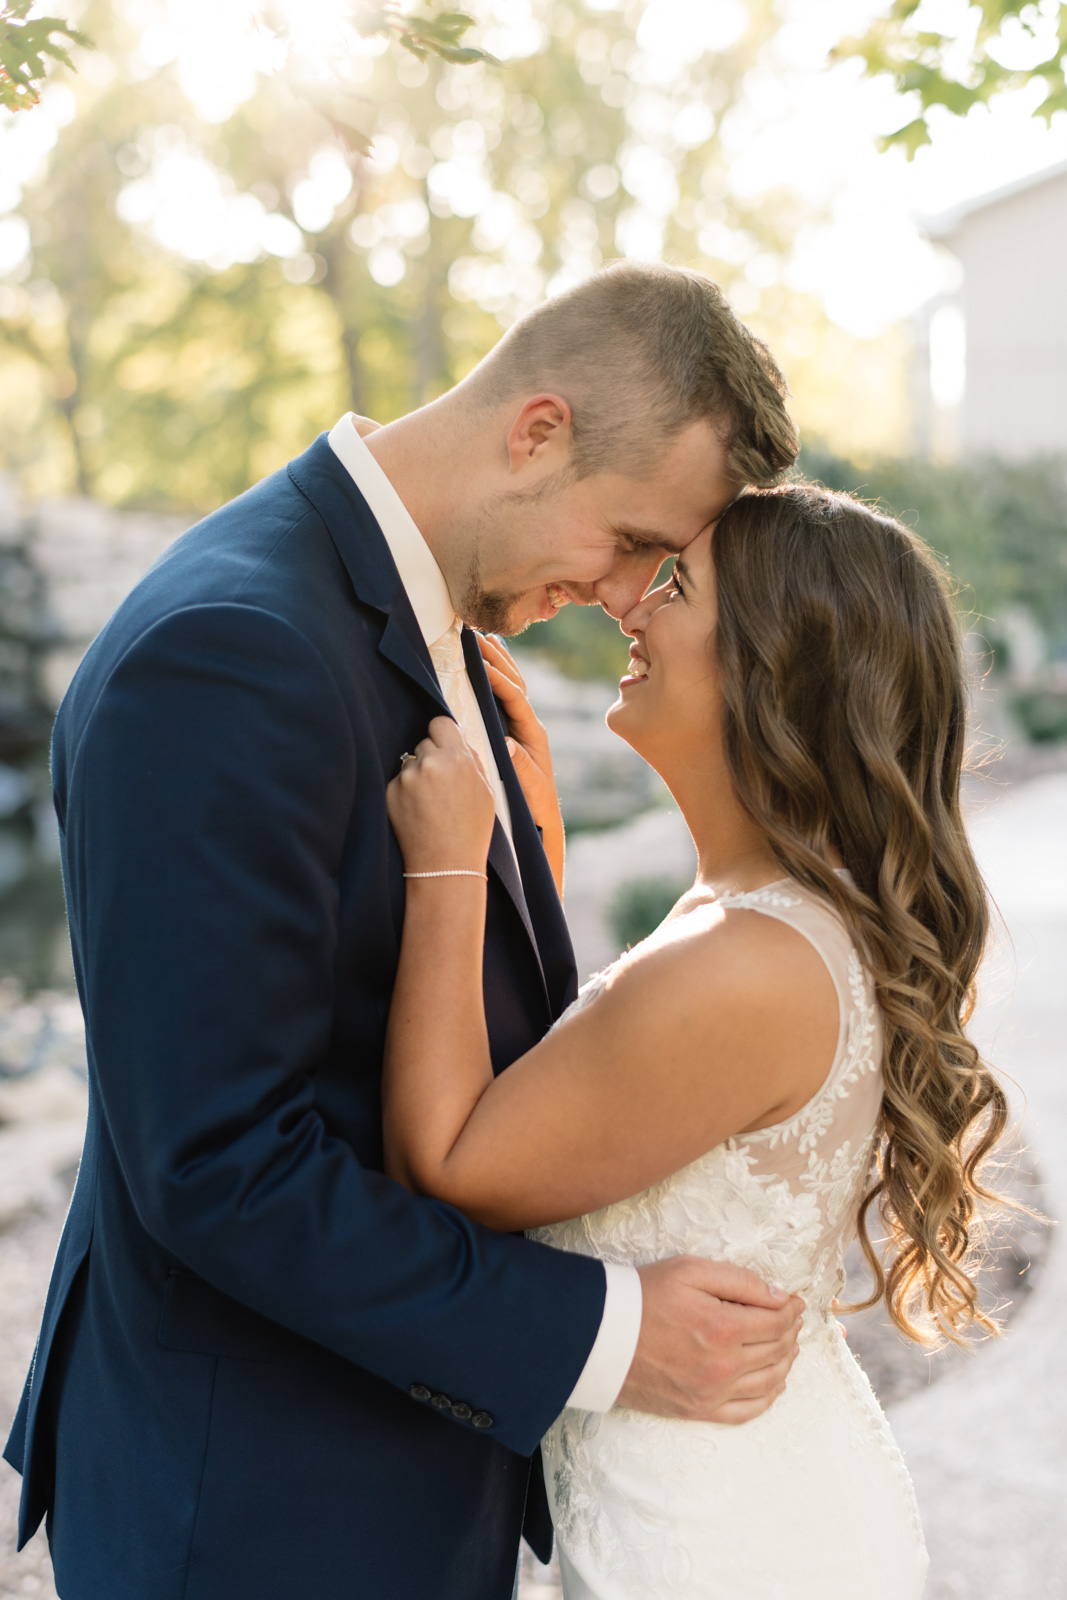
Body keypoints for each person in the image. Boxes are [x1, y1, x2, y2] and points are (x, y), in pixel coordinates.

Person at [3, 264, 805, 1600]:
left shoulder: (425, 611)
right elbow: (215, 1163)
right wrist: (601, 1336)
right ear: (536, 431)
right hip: (253, 1511)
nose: (623, 595)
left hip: (389, 1469)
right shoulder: (228, 651)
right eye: (628, 539)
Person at [382, 483, 1012, 1599]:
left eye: (677, 584)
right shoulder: (758, 912)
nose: (633, 607)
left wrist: (443, 869)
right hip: (726, 1503)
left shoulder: (746, 963)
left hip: (725, 1547)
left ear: (770, 663)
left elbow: (448, 1168)